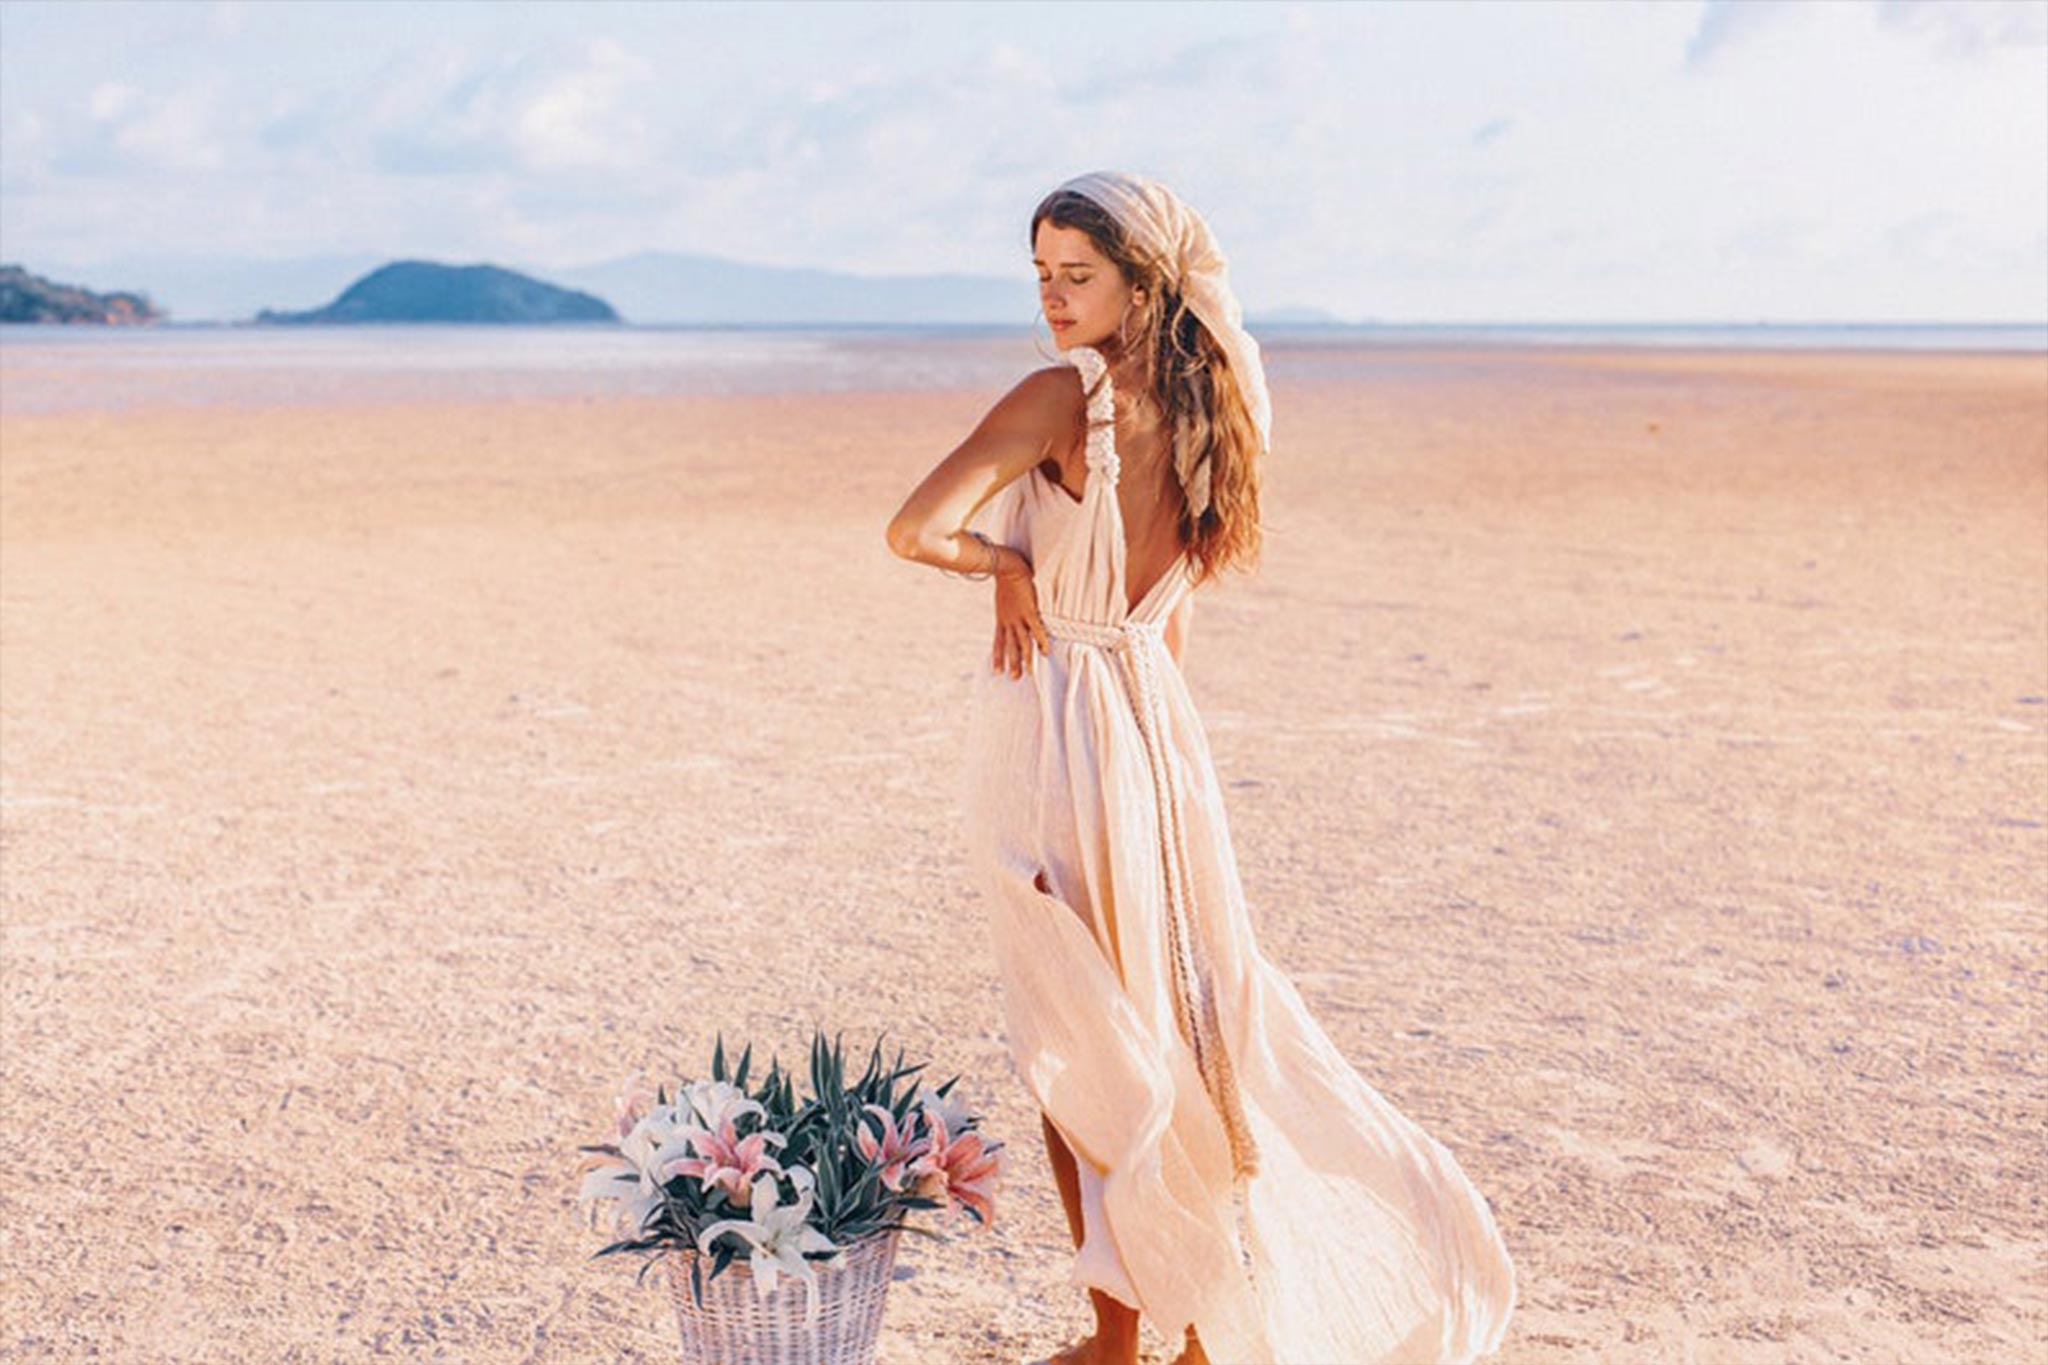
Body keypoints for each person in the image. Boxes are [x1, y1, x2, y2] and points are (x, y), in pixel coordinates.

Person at [885, 171, 1517, 1365]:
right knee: (1188, 1028)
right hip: (1153, 728)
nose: (1055, 298)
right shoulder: (1222, 403)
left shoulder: (1056, 398)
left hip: (1053, 726)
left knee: (1074, 1040)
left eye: (1078, 275)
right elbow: (1172, 616)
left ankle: (1119, 1336)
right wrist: (1153, 732)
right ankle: (1200, 1327)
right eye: (1040, 276)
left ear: (1142, 282)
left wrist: (1007, 571)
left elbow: (911, 530)